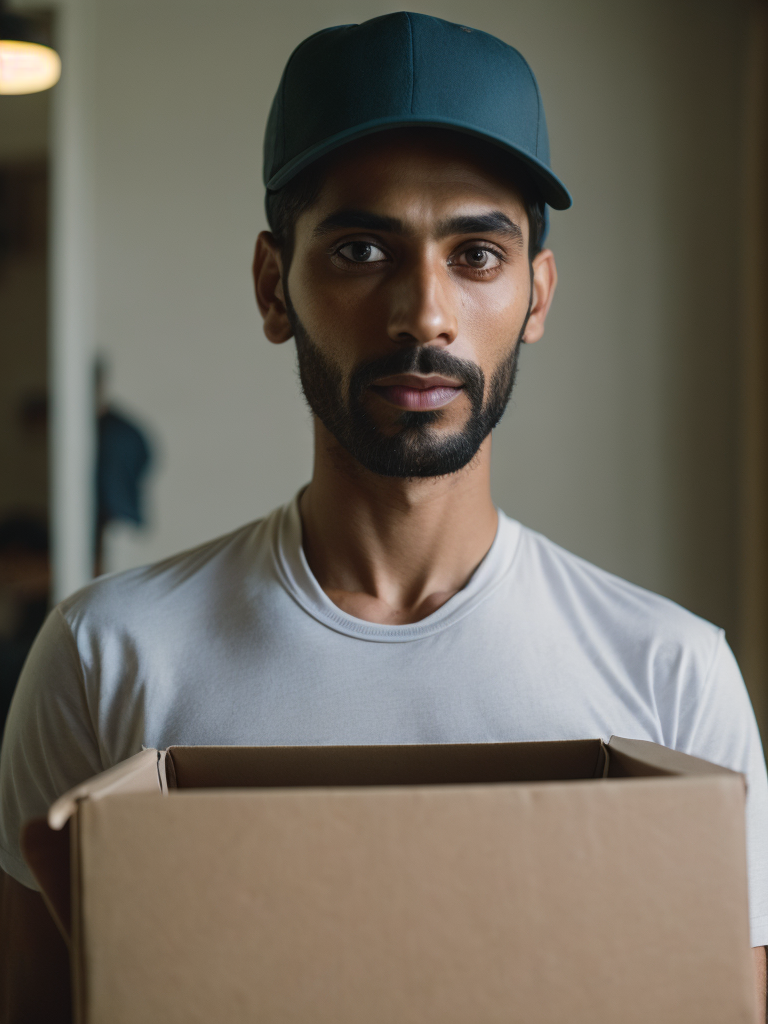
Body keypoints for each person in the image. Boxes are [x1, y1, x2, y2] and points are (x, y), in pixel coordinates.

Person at [1, 12, 766, 1020]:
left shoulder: (670, 677)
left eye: (478, 254)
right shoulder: (108, 657)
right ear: (276, 289)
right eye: (362, 248)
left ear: (538, 294)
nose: (425, 313)